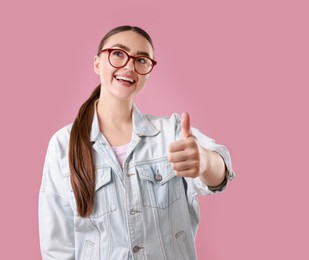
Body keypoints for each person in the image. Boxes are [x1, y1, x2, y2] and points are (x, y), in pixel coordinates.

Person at [39, 25, 235, 260]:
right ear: (97, 63)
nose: (130, 66)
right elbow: (57, 247)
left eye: (142, 60)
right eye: (119, 54)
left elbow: (220, 169)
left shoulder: (171, 132)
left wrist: (204, 162)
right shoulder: (63, 144)